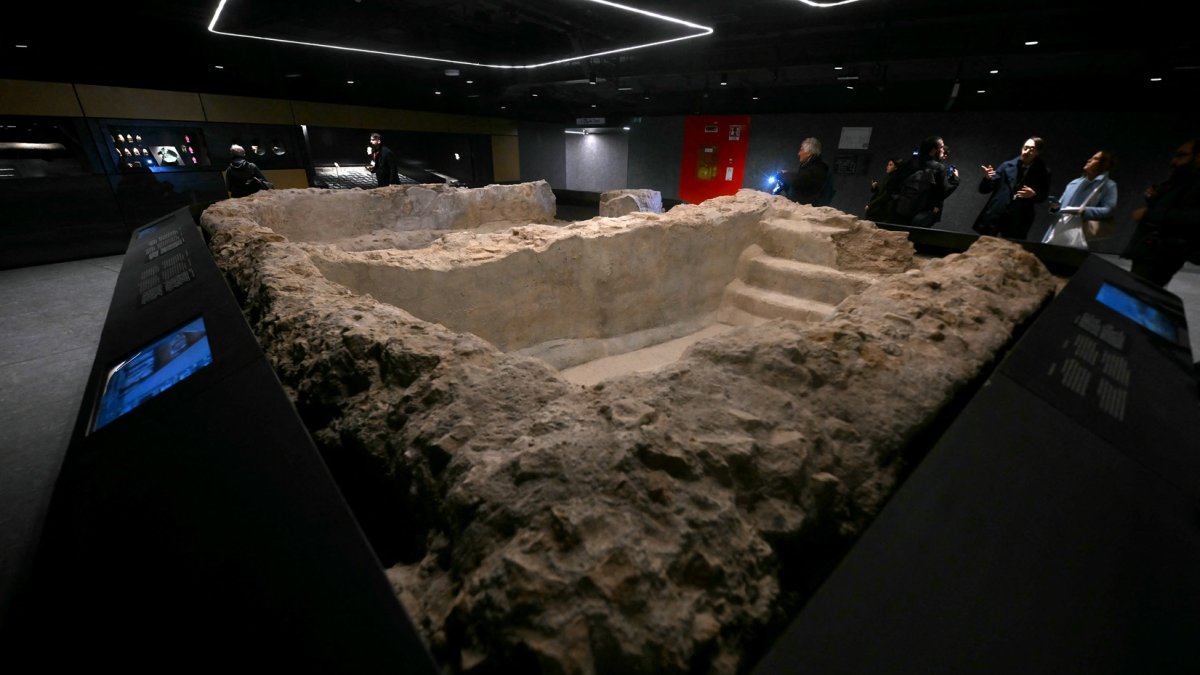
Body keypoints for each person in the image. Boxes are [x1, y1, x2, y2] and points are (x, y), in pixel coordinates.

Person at [1123, 139, 1200, 287]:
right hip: (1151, 250)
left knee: (1140, 294)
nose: (1174, 161)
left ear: (1198, 157)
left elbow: (1193, 217)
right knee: (1136, 290)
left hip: (1163, 253)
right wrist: (1153, 199)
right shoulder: (1183, 180)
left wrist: (1148, 213)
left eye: (1182, 155)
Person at [972, 136, 1051, 240]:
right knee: (983, 249)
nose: (1026, 151)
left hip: (1018, 220)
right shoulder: (1006, 166)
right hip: (995, 216)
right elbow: (984, 190)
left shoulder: (1043, 172)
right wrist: (987, 178)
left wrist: (1033, 194)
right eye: (1025, 147)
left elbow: (1043, 197)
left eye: (1031, 149)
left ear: (1038, 152)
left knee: (1009, 252)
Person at [1042, 150, 1118, 248]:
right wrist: (1055, 207)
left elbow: (1109, 210)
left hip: (1077, 234)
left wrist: (1085, 211)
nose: (1089, 160)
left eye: (1095, 159)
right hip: (1057, 231)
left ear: (1104, 165)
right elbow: (1061, 208)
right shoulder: (1074, 183)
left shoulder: (1108, 185)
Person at [893, 136, 960, 227]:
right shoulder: (938, 168)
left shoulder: (910, 163)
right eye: (941, 147)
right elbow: (942, 193)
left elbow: (896, 184)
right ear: (933, 150)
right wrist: (955, 179)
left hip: (900, 212)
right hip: (920, 216)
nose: (943, 149)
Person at [781, 137, 830, 205]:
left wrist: (785, 175)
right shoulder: (810, 166)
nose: (799, 153)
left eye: (801, 150)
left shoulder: (817, 168)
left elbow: (801, 180)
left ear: (809, 153)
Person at [864, 157, 902, 222]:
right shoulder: (888, 177)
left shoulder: (894, 178)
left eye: (890, 165)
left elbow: (886, 195)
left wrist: (871, 205)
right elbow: (879, 191)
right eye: (888, 165)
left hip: (883, 207)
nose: (887, 167)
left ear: (896, 167)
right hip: (879, 205)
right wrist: (874, 187)